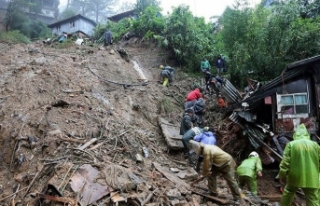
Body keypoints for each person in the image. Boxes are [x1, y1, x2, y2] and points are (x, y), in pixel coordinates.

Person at [189, 140, 243, 205]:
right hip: (217, 163)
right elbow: (208, 165)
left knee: (231, 180)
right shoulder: (206, 148)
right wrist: (206, 173)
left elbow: (207, 165)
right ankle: (212, 192)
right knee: (211, 175)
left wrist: (203, 175)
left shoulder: (207, 151)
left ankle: (237, 198)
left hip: (227, 163)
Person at [279, 123, 320, 206]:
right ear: (306, 134)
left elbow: (285, 163)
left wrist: (282, 175)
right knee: (313, 199)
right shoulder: (315, 145)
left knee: (289, 192)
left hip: (295, 176)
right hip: (312, 177)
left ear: (296, 134)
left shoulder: (291, 144)